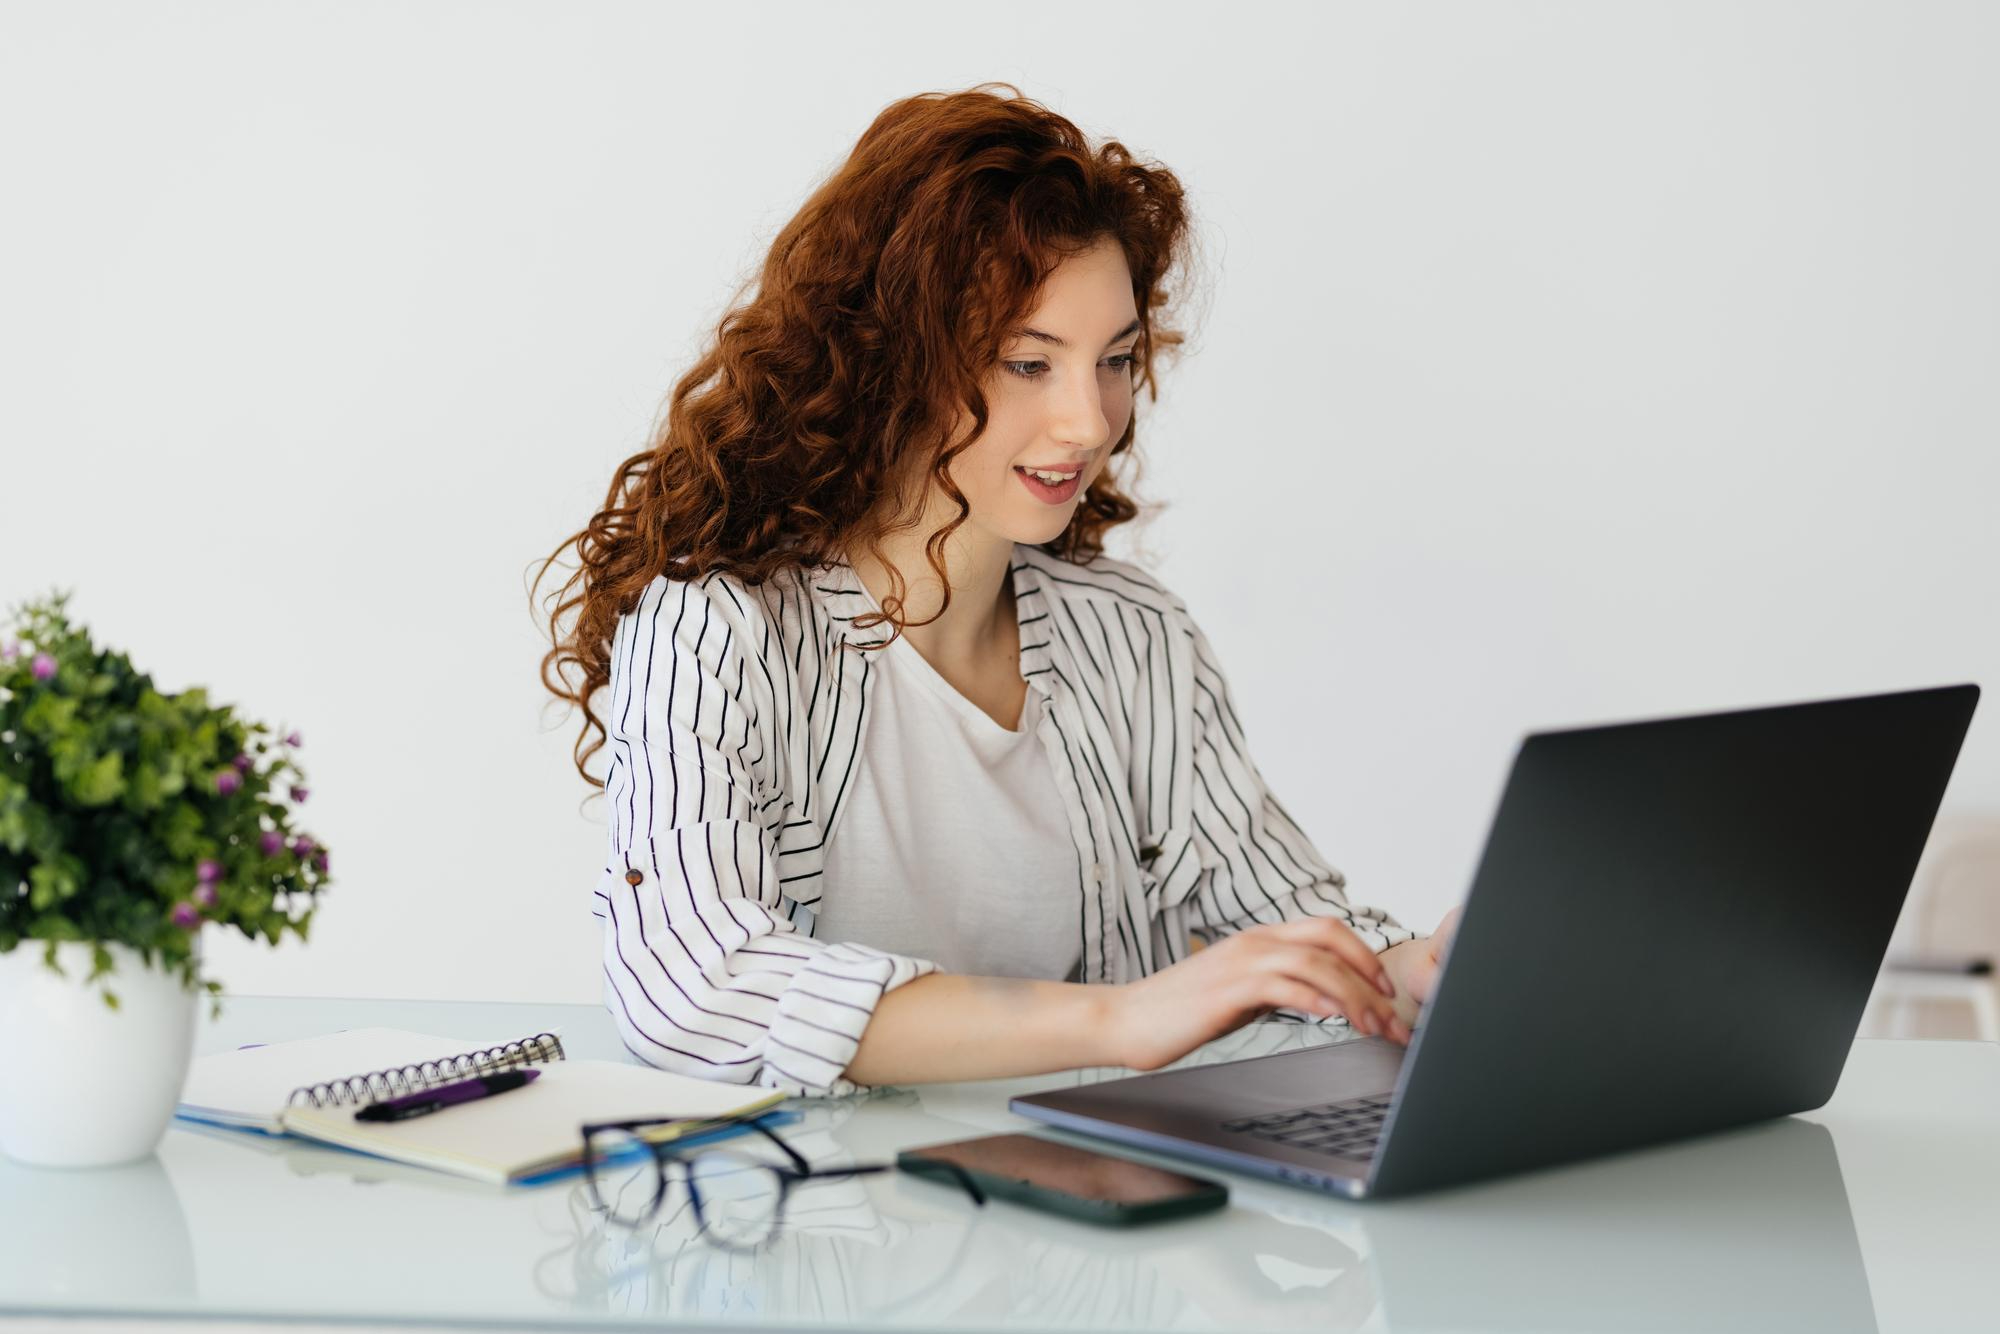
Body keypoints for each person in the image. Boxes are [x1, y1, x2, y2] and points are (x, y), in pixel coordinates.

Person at [533, 83, 1461, 1097]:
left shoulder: (1135, 640)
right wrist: (1121, 1017)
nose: (1087, 421)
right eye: (1028, 362)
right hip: (809, 1233)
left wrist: (1420, 967)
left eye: (1112, 361)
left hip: (1094, 1230)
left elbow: (1282, 934)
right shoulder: (717, 629)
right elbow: (694, 987)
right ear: (892, 359)